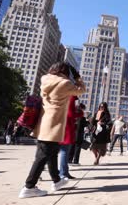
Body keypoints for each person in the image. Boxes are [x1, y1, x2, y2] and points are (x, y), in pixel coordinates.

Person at [19, 62, 85, 199]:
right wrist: (77, 77)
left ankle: (57, 181)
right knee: (42, 156)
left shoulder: (44, 79)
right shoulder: (65, 83)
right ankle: (28, 187)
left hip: (43, 121)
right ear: (65, 72)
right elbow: (82, 90)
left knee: (51, 152)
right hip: (54, 123)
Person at [59, 96, 83, 179]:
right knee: (64, 151)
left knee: (57, 151)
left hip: (60, 125)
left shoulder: (62, 95)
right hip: (67, 126)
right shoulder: (72, 97)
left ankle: (64, 172)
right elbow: (71, 114)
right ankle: (62, 173)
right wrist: (80, 113)